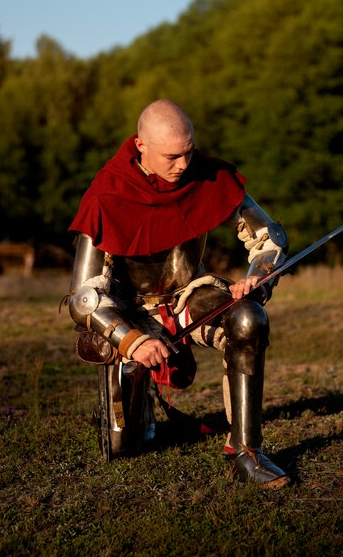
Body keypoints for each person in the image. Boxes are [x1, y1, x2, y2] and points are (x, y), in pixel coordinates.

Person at [67, 99, 290, 490]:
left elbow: (270, 237)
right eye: (171, 157)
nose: (183, 165)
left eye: (188, 152)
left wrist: (256, 277)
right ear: (141, 146)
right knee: (126, 448)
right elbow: (84, 298)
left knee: (248, 318)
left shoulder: (206, 175)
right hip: (130, 312)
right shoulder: (107, 194)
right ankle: (141, 403)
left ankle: (246, 451)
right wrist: (132, 341)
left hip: (189, 297)